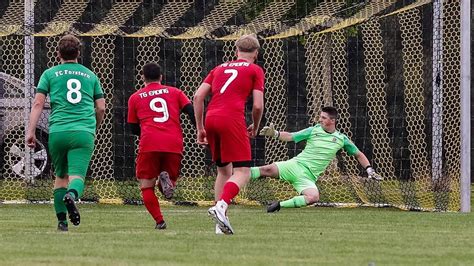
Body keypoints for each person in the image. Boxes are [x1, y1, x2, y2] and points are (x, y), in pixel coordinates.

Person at [26, 35, 106, 231]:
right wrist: (94, 127)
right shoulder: (90, 75)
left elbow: (38, 103)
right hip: (83, 131)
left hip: (58, 131)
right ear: (79, 53)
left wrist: (30, 131)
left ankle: (62, 222)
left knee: (60, 176)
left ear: (58, 54)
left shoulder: (49, 74)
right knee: (77, 176)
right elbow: (101, 107)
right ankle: (72, 195)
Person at [194, 34, 264, 235]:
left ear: (236, 51)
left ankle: (220, 224)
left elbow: (198, 96)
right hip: (231, 119)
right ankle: (221, 205)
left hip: (211, 118)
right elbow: (258, 105)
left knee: (224, 171)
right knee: (243, 171)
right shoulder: (254, 69)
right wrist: (256, 126)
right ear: (256, 53)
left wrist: (200, 127)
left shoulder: (219, 68)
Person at [251, 106, 383, 212]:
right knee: (265, 169)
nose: (320, 120)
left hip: (308, 177)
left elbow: (358, 154)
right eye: (320, 117)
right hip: (295, 165)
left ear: (332, 121)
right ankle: (234, 177)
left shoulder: (341, 139)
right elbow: (291, 136)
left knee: (313, 197)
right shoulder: (313, 130)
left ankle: (279, 205)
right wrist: (275, 134)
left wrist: (369, 170)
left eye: (323, 118)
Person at [127, 62, 195, 230]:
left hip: (150, 142)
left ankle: (159, 221)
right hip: (173, 142)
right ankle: (165, 181)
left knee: (146, 186)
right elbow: (191, 111)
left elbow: (133, 128)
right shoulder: (175, 92)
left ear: (142, 77)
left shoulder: (135, 97)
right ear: (161, 77)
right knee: (169, 182)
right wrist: (200, 129)